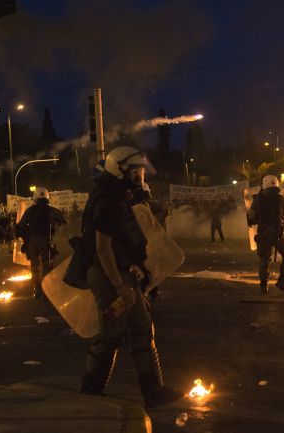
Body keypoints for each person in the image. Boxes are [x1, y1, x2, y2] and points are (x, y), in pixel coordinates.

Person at [79, 146, 181, 408]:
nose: (139, 176)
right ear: (118, 169)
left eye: (141, 171)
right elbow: (103, 248)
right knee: (111, 334)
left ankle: (153, 391)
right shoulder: (108, 200)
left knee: (141, 328)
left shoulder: (118, 196)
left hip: (122, 272)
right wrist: (119, 286)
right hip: (109, 274)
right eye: (134, 171)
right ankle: (91, 391)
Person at [16, 188, 67, 299]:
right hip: (45, 240)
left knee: (35, 266)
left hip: (32, 242)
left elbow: (21, 226)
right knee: (46, 265)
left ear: (35, 198)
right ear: (47, 197)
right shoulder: (51, 210)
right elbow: (64, 220)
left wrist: (25, 240)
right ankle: (46, 291)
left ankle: (37, 289)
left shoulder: (29, 211)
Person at [247, 175, 284, 294]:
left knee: (264, 261)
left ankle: (263, 285)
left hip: (264, 234)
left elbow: (251, 217)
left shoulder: (258, 200)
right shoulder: (281, 199)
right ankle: (282, 281)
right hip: (279, 234)